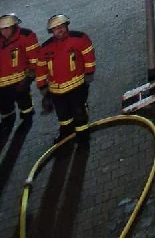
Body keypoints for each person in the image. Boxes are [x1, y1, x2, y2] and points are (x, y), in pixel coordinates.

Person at [36, 14, 96, 146]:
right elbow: (41, 69)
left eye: (61, 26)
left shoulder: (79, 39)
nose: (59, 30)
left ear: (66, 26)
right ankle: (67, 135)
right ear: (51, 31)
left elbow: (89, 57)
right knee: (63, 116)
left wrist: (89, 75)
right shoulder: (45, 48)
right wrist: (42, 87)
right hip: (56, 91)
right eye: (55, 29)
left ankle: (83, 139)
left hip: (77, 86)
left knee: (79, 113)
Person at [0, 14, 40, 133]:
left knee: (25, 102)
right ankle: (7, 121)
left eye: (7, 28)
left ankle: (27, 117)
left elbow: (35, 58)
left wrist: (30, 77)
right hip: (1, 83)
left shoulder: (26, 36)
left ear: (14, 26)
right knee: (4, 106)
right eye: (2, 29)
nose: (5, 32)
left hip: (20, 80)